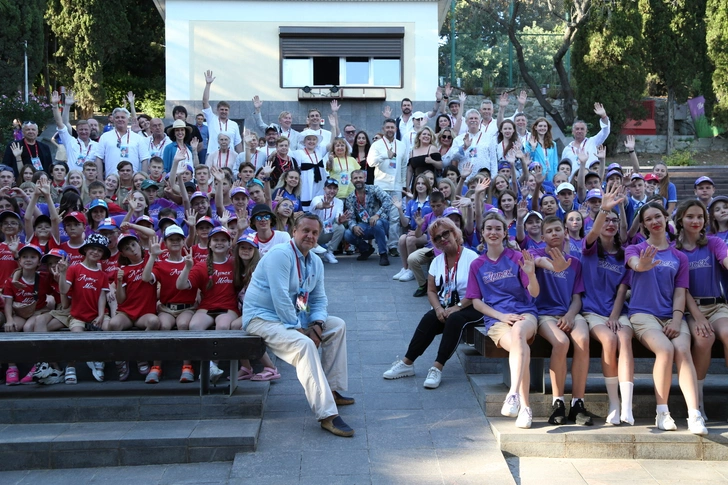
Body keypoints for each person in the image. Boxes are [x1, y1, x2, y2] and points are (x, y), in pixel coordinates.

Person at [243, 213, 355, 437]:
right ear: (294, 231)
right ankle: (327, 415)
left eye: (315, 232)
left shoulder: (314, 261)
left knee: (338, 325)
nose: (310, 236)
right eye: (305, 230)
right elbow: (280, 297)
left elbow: (318, 299)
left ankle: (331, 390)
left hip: (294, 316)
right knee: (304, 345)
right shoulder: (280, 255)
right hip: (262, 318)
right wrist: (300, 329)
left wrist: (318, 324)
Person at [625, 202, 708, 435]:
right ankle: (662, 412)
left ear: (666, 218)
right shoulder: (635, 249)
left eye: (658, 216)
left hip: (671, 315)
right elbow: (633, 264)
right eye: (649, 219)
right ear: (643, 225)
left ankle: (694, 414)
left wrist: (675, 319)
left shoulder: (679, 256)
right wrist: (640, 265)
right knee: (665, 350)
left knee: (682, 349)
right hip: (643, 314)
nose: (655, 221)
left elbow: (680, 291)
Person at [384, 218, 482, 388]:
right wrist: (437, 308)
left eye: (446, 233)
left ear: (455, 233)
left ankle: (437, 366)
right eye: (437, 237)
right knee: (429, 318)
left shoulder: (471, 257)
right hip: (446, 305)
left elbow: (477, 292)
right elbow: (431, 290)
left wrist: (456, 308)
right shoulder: (437, 262)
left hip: (472, 305)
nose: (443, 238)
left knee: (455, 319)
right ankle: (407, 363)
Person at [467, 212, 540, 428]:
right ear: (482, 233)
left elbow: (534, 293)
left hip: (525, 313)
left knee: (519, 334)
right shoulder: (477, 264)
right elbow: (476, 302)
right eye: (489, 228)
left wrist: (532, 274)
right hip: (497, 321)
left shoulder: (517, 258)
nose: (493, 232)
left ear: (504, 232)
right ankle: (525, 408)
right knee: (521, 348)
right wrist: (501, 316)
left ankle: (513, 394)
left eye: (498, 228)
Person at [674, 199, 728, 419]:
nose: (695, 221)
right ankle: (698, 397)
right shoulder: (674, 249)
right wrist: (697, 315)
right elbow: (680, 289)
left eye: (700, 217)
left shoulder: (714, 243)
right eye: (690, 216)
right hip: (690, 309)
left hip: (717, 306)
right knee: (704, 339)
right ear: (680, 220)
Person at [367, 118, 406, 256]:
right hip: (381, 186)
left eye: (392, 127)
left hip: (396, 186)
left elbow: (403, 166)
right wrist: (385, 156)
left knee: (395, 217)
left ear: (395, 129)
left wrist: (403, 185)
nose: (390, 129)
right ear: (383, 129)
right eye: (387, 127)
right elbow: (370, 162)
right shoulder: (377, 145)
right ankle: (381, 245)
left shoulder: (401, 145)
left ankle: (393, 245)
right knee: (380, 217)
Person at [343, 170, 392, 266]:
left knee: (377, 223)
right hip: (365, 225)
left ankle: (383, 254)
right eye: (355, 178)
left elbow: (388, 200)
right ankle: (366, 249)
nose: (358, 180)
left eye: (360, 177)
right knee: (348, 233)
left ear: (365, 178)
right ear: (351, 180)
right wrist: (353, 227)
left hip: (381, 223)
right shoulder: (350, 198)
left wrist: (377, 215)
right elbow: (351, 217)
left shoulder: (374, 189)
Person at [95, 107, 150, 177]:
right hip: (111, 181)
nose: (120, 119)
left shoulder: (138, 138)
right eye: (117, 117)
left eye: (123, 117)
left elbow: (144, 159)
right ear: (113, 120)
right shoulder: (105, 137)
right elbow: (99, 158)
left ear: (128, 120)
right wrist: (100, 179)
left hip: (132, 181)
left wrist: (142, 179)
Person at [50, 91, 97, 171]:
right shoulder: (70, 141)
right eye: (81, 130)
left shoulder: (97, 146)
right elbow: (60, 123)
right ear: (77, 131)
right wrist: (56, 106)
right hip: (72, 179)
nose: (84, 132)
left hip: (89, 181)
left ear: (90, 130)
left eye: (86, 129)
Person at [560, 103, 610, 175]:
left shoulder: (593, 142)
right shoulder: (567, 149)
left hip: (590, 179)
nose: (579, 131)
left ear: (586, 132)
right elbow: (562, 167)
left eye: (582, 129)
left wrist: (604, 116)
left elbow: (605, 131)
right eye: (577, 129)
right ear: (572, 132)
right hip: (572, 181)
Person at [202, 70, 243, 154]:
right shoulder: (212, 119)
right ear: (217, 110)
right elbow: (205, 102)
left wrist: (242, 158)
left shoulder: (234, 124)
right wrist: (208, 84)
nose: (224, 112)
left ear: (229, 111)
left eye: (226, 110)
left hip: (229, 157)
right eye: (221, 109)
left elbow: (237, 143)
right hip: (213, 155)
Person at [310, 178, 349, 264]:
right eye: (329, 188)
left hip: (327, 230)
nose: (332, 191)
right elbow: (317, 205)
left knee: (340, 227)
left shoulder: (339, 202)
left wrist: (339, 220)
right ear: (324, 189)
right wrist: (322, 206)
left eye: (334, 188)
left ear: (337, 190)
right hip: (314, 231)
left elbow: (337, 218)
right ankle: (313, 251)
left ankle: (329, 252)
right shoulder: (317, 198)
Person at [453, 110, 497, 183]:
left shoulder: (489, 138)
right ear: (466, 121)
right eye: (471, 118)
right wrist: (464, 147)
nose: (473, 120)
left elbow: (493, 159)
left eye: (476, 118)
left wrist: (493, 177)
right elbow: (454, 157)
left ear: (479, 121)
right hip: (465, 179)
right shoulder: (459, 139)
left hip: (484, 178)